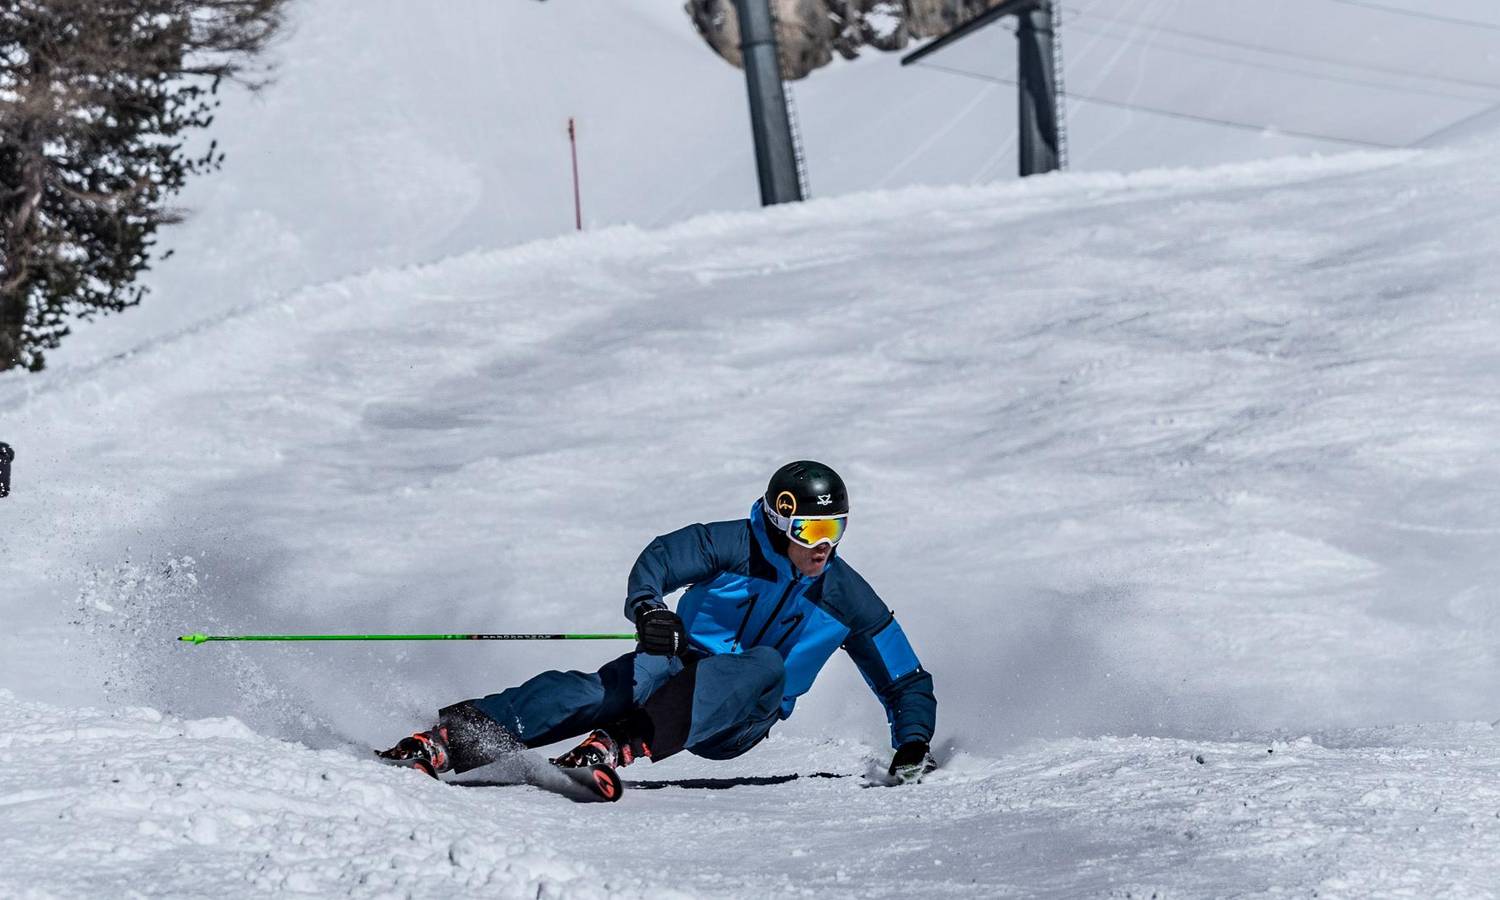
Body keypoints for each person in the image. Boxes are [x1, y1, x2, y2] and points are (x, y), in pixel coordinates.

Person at [380, 460, 938, 783]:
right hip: (679, 666)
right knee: (594, 690)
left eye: (835, 530)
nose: (824, 548)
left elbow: (904, 677)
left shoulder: (846, 596)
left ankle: (622, 744)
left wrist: (913, 739)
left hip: (738, 716)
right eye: (811, 532)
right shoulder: (734, 544)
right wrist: (649, 609)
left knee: (764, 664)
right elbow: (662, 559)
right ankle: (452, 741)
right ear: (778, 521)